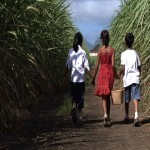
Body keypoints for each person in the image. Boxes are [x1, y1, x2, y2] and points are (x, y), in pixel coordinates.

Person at [64, 32, 92, 125]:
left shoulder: (70, 51)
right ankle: (79, 115)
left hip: (73, 79)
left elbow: (68, 66)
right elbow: (86, 68)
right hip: (81, 80)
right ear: (81, 41)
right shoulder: (83, 52)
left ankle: (73, 106)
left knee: (74, 96)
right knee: (81, 97)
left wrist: (64, 75)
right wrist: (92, 78)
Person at [91, 30, 115, 127]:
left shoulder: (100, 51)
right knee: (108, 95)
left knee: (103, 96)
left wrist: (93, 78)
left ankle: (105, 115)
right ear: (108, 38)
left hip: (102, 73)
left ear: (102, 39)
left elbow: (96, 66)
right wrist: (116, 75)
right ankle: (108, 117)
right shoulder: (112, 50)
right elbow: (113, 65)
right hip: (109, 73)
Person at [119, 33, 141, 127]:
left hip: (127, 78)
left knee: (127, 98)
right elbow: (139, 65)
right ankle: (136, 116)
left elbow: (123, 67)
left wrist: (120, 73)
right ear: (133, 42)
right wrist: (139, 73)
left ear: (125, 42)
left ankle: (127, 116)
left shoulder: (123, 54)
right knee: (135, 97)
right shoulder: (135, 53)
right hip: (135, 77)